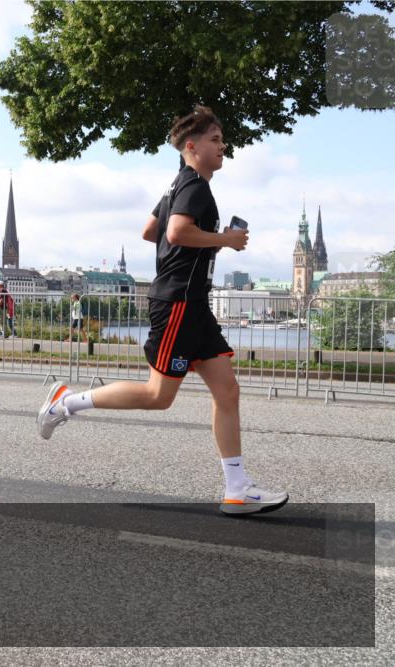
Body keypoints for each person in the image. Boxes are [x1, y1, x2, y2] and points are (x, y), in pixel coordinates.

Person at [36, 105, 288, 516]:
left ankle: (238, 489)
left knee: (227, 390)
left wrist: (190, 245)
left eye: (221, 140)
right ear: (192, 146)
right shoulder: (195, 187)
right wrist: (224, 239)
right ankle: (65, 403)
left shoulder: (178, 184)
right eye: (215, 140)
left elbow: (150, 230)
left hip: (195, 305)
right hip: (177, 304)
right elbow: (174, 232)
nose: (223, 147)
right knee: (157, 396)